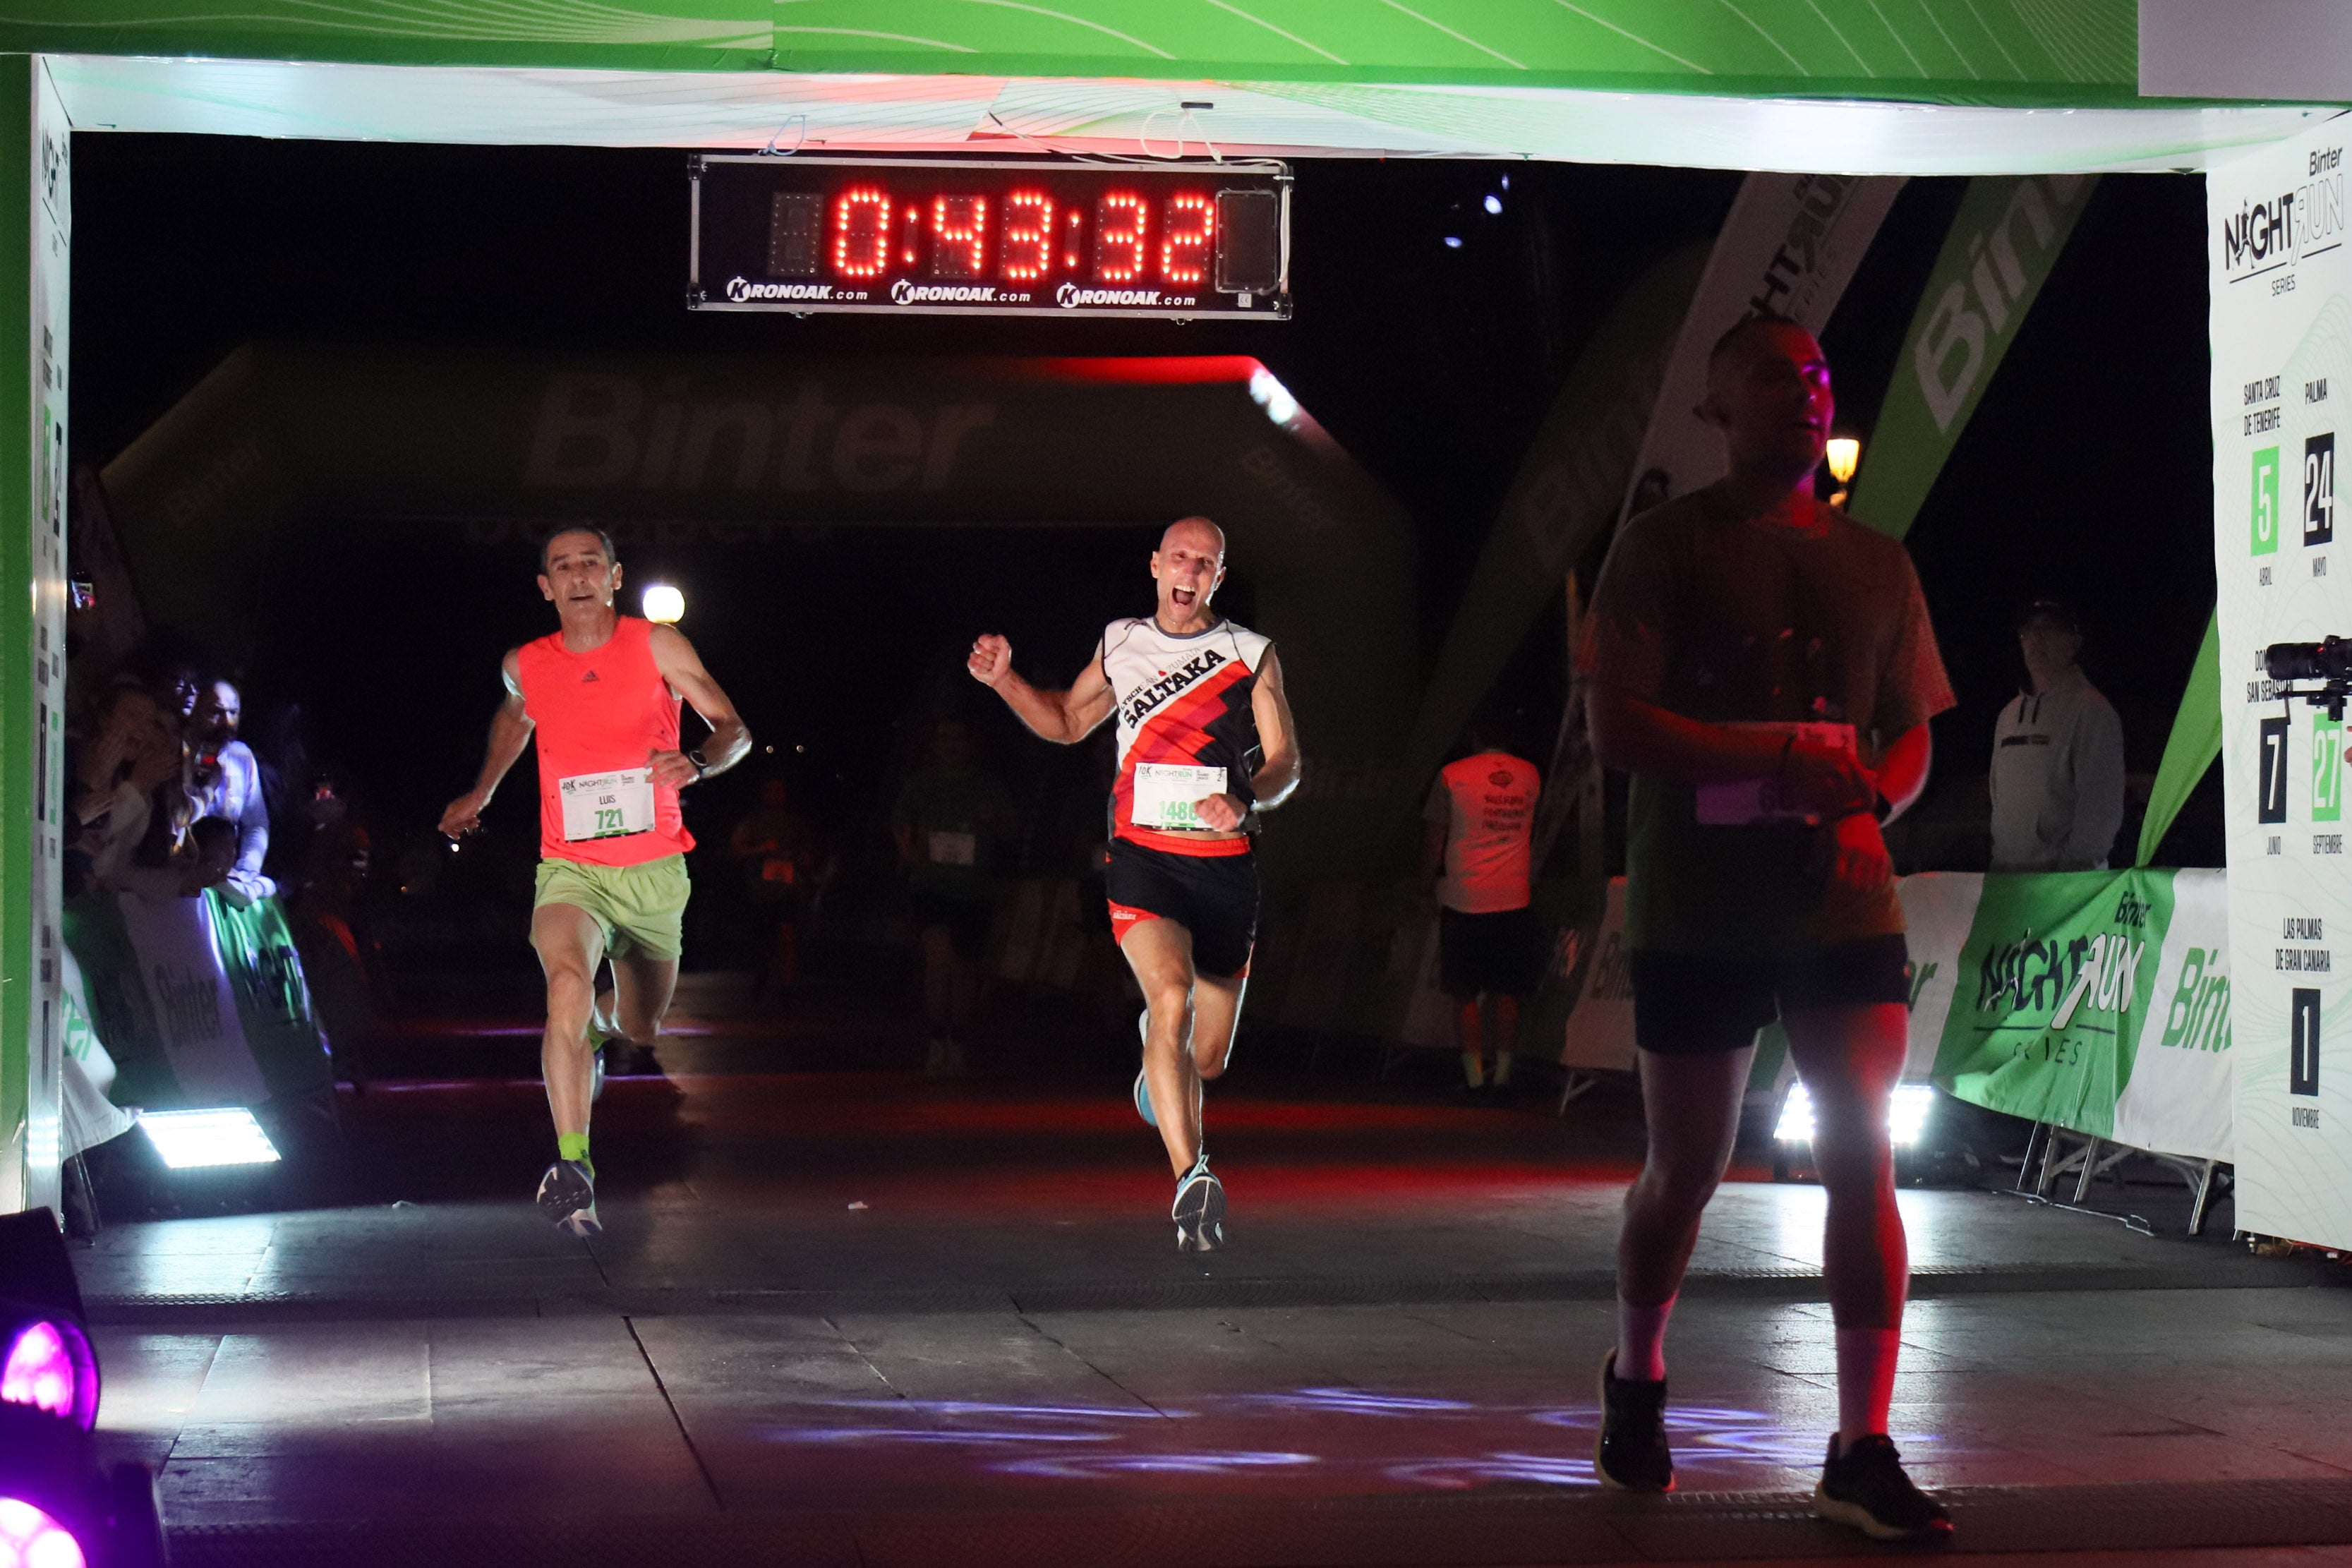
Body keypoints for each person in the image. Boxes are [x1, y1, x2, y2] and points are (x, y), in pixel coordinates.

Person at [1579, 314, 1955, 1539]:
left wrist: (1868, 799)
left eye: (1818, 376)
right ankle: (1637, 1374)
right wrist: (1779, 758)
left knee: (1862, 1153)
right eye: (1771, 375)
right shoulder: (1661, 546)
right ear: (1716, 406)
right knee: (1684, 1169)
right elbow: (1617, 727)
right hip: (1696, 903)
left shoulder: (1879, 563)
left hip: (1843, 903)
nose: (1804, 392)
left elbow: (1910, 730)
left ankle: (1860, 1445)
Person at [968, 516, 1300, 1252]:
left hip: (1224, 869)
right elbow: (1065, 722)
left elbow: (1285, 763)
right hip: (1143, 860)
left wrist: (1246, 799)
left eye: (1205, 563)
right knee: (1171, 995)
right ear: (1156, 565)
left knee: (1205, 1059)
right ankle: (1191, 1178)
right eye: (1180, 557)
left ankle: (1162, 1053)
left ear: (1218, 577)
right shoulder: (1121, 641)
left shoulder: (1249, 653)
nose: (1190, 572)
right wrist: (1004, 682)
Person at [439, 526, 750, 1236]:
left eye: (590, 564)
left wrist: (698, 762)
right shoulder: (525, 662)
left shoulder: (657, 645)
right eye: (563, 566)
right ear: (545, 586)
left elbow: (734, 729)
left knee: (641, 1023)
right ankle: (573, 1164)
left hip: (654, 871)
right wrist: (481, 792)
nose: (577, 575)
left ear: (614, 577)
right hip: (570, 867)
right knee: (565, 985)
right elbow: (516, 717)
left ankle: (606, 1032)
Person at [1421, 723, 1542, 1092]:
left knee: (1465, 994)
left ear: (1474, 737)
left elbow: (1434, 838)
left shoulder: (1452, 775)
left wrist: (1425, 885)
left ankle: (1474, 1079)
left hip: (1464, 897)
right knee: (1508, 992)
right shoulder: (1530, 775)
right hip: (1514, 896)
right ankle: (1503, 1076)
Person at [891, 718, 1014, 1076]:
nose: (951, 745)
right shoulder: (921, 784)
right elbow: (901, 822)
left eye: (958, 737)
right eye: (943, 738)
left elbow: (1010, 829)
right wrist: (908, 850)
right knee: (939, 958)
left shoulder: (987, 786)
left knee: (962, 968)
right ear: (934, 745)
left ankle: (955, 1041)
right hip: (932, 885)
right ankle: (936, 1041)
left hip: (974, 888)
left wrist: (991, 820)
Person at [1989, 598, 2125, 873]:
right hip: (2005, 881)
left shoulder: (2093, 711)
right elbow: (1996, 794)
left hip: (2064, 885)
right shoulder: (2007, 716)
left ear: (2074, 643)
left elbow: (2102, 806)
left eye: (2049, 628)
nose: (2036, 639)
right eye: (2028, 631)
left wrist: (2072, 874)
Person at [189, 678, 277, 903]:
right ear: (196, 711)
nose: (227, 722)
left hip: (226, 876)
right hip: (182, 870)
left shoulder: (242, 756)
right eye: (216, 712)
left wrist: (247, 870)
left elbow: (256, 823)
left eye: (233, 712)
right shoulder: (178, 750)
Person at [729, 776, 816, 1004]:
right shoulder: (753, 821)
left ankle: (787, 985)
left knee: (787, 934)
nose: (775, 795)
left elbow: (808, 853)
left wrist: (802, 859)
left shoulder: (794, 823)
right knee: (764, 939)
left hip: (787, 889)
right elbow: (736, 849)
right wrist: (761, 849)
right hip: (761, 891)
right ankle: (762, 975)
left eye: (780, 790)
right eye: (771, 790)